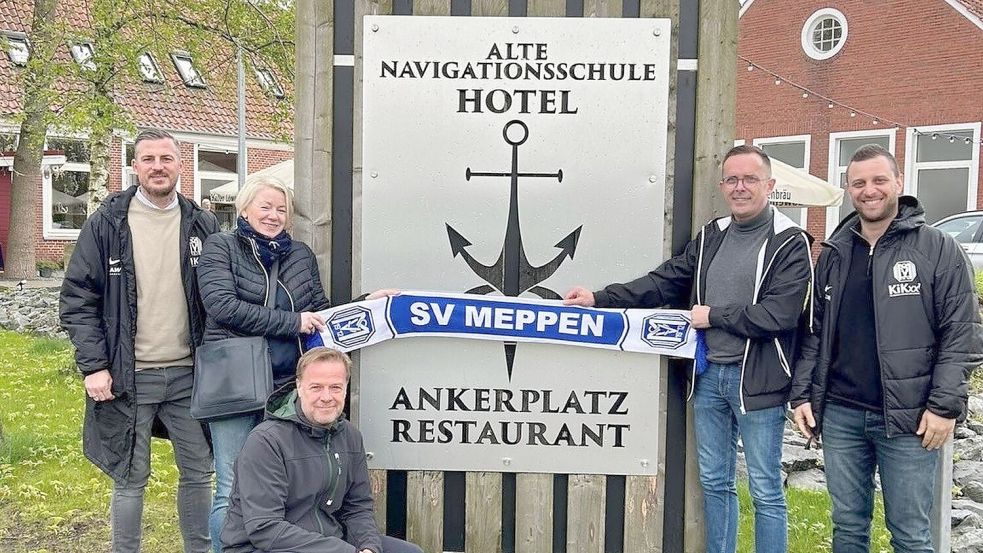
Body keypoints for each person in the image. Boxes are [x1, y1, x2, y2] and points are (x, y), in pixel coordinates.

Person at [564, 144, 813, 552]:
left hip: (759, 382)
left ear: (769, 185)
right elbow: (665, 281)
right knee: (716, 484)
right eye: (732, 179)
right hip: (708, 375)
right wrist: (599, 297)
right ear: (722, 186)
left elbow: (779, 315)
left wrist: (714, 316)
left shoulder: (790, 242)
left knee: (767, 490)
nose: (740, 187)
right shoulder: (713, 235)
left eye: (750, 178)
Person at [791, 144, 983, 552]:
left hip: (911, 419)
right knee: (847, 528)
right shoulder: (835, 253)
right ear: (848, 190)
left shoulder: (937, 249)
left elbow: (962, 333)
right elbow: (814, 332)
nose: (869, 190)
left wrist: (943, 406)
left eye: (879, 180)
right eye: (858, 183)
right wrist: (803, 395)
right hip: (841, 414)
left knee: (911, 536)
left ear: (898, 182)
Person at [196, 175, 394, 552]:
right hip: (232, 381)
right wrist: (291, 322)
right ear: (245, 209)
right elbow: (221, 306)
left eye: (281, 209)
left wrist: (369, 305)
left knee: (281, 481)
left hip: (287, 380)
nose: (273, 215)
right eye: (265, 207)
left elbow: (318, 312)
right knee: (228, 485)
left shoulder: (299, 254)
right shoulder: (219, 247)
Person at [60, 128, 218, 552]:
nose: (158, 167)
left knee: (200, 470)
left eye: (166, 158)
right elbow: (77, 299)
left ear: (180, 166)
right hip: (129, 375)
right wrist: (94, 366)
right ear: (134, 166)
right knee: (130, 476)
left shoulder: (202, 223)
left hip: (190, 374)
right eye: (148, 159)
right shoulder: (107, 224)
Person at [221, 347, 423, 553]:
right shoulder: (266, 441)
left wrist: (367, 547)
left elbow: (358, 507)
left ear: (346, 388)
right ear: (299, 387)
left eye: (335, 387)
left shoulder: (350, 436)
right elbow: (265, 528)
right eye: (316, 387)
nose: (326, 397)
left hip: (330, 539)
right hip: (264, 547)